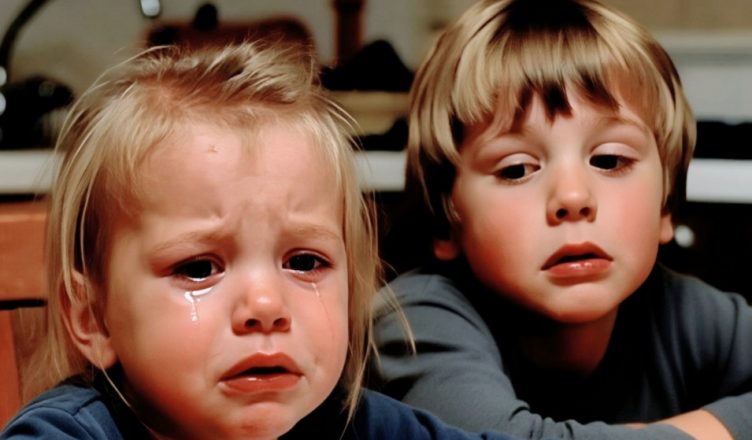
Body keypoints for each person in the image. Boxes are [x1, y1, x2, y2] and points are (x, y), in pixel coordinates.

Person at [0, 41, 525, 440]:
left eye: (305, 261)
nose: (267, 306)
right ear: (93, 317)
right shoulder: (68, 433)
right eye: (199, 268)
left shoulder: (356, 425)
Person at [370, 0, 752, 439]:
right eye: (516, 169)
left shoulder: (683, 311)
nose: (573, 198)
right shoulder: (413, 323)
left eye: (609, 160)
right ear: (447, 219)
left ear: (665, 206)